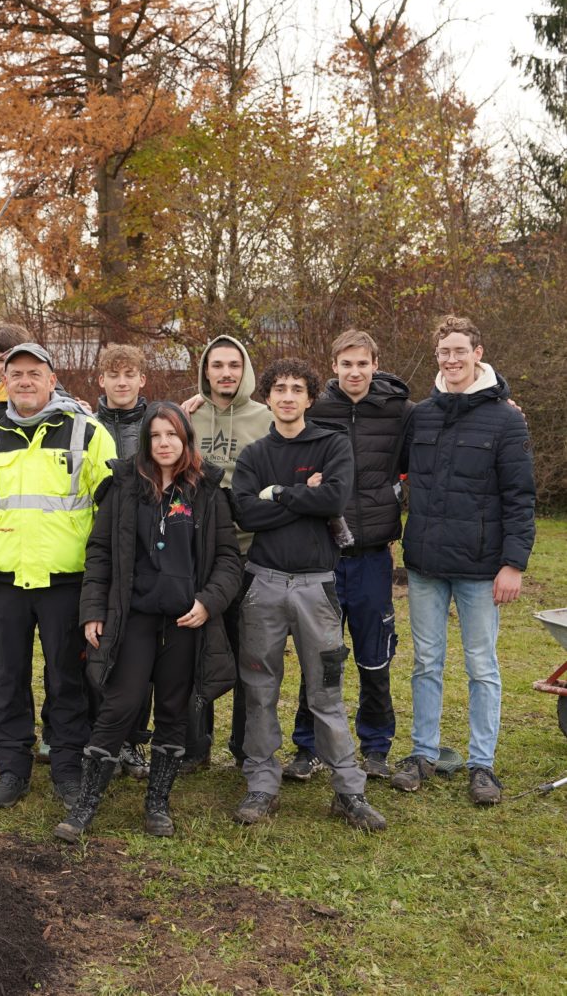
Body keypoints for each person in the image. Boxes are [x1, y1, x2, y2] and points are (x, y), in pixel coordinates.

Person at [55, 403, 242, 841]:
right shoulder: (123, 486)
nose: (163, 443)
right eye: (155, 435)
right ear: (144, 441)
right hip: (133, 615)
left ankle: (157, 803)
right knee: (120, 703)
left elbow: (229, 560)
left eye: (172, 435)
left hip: (186, 620)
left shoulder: (208, 490)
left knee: (175, 708)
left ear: (186, 439)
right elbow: (99, 552)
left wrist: (209, 602)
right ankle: (85, 804)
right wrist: (93, 611)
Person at [0, 342, 117, 810]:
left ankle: (68, 767)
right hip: (5, 582)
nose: (25, 381)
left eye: (34, 373)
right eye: (17, 374)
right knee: (7, 677)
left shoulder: (88, 433)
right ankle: (12, 767)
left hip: (67, 582)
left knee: (67, 679)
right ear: (4, 383)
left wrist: (101, 578)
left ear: (52, 380)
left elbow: (111, 510)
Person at [231, 358, 386, 831]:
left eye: (297, 389)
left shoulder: (331, 444)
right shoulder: (255, 454)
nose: (287, 397)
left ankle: (349, 790)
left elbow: (334, 500)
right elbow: (244, 513)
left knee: (326, 691)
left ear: (310, 397)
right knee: (260, 688)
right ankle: (262, 783)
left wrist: (276, 494)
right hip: (262, 584)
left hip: (317, 586)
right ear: (268, 396)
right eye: (279, 388)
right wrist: (301, 494)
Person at [392, 315, 535, 806]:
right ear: (436, 357)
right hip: (425, 563)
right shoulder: (421, 415)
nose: (451, 360)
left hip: (481, 566)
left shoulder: (507, 419)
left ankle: (482, 765)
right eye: (443, 352)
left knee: (482, 666)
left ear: (477, 353)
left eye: (459, 350)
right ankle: (422, 754)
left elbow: (520, 497)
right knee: (426, 662)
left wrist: (513, 563)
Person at [283, 330, 412, 781]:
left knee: (374, 656)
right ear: (333, 366)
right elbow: (274, 431)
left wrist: (503, 403)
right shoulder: (316, 409)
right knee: (320, 654)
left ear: (376, 364)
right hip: (323, 555)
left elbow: (443, 428)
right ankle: (308, 746)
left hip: (373, 555)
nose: (354, 372)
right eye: (346, 364)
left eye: (362, 363)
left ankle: (376, 747)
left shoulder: (400, 411)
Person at [182, 335, 272, 770]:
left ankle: (244, 746)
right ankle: (194, 746)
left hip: (251, 553)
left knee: (248, 653)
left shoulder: (265, 419)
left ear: (245, 370)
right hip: (198, 554)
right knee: (195, 650)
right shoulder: (187, 417)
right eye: (217, 365)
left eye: (234, 365)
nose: (226, 373)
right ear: (205, 370)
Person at [93, 343, 153, 780]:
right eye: (113, 375)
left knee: (138, 651)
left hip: (143, 549)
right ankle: (99, 737)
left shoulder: (156, 426)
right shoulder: (85, 425)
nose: (121, 382)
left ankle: (133, 740)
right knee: (97, 645)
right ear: (101, 381)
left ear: (141, 379)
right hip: (97, 545)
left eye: (129, 374)